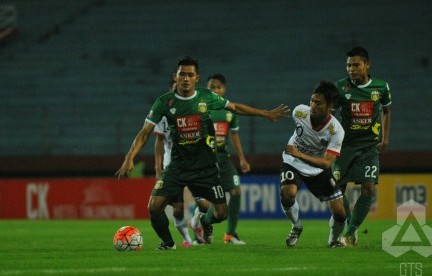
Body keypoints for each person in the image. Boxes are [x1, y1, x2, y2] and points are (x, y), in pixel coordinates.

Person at [116, 56, 289, 250]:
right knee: (154, 207)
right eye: (182, 74)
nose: (186, 78)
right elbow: (145, 132)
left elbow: (235, 107)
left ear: (197, 77)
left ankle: (205, 222)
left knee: (221, 213)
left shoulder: (206, 97)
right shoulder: (164, 102)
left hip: (205, 168)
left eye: (190, 75)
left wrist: (265, 113)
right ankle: (168, 243)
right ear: (175, 76)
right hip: (178, 167)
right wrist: (129, 157)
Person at [332, 46, 392, 246]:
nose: (351, 69)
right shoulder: (341, 87)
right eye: (348, 65)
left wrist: (385, 139)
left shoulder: (381, 87)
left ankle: (349, 233)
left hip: (368, 147)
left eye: (356, 65)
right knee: (337, 190)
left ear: (367, 65)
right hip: (344, 146)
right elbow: (330, 114)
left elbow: (386, 111)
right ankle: (350, 221)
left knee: (368, 188)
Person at [280, 80, 347, 248]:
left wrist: (299, 153)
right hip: (292, 161)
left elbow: (326, 163)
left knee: (340, 213)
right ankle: (296, 225)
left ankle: (334, 239)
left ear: (330, 106)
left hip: (317, 168)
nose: (312, 105)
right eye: (311, 100)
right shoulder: (299, 113)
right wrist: (296, 155)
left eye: (318, 103)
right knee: (287, 193)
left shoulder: (336, 131)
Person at [189, 74, 250, 245]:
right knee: (204, 200)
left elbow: (235, 135)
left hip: (224, 158)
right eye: (212, 87)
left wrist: (243, 159)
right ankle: (198, 236)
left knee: (236, 192)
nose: (215, 90)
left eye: (218, 87)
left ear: (224, 89)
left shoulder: (229, 111)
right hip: (205, 159)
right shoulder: (201, 108)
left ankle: (230, 234)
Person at [153, 79, 192, 248]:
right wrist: (158, 166)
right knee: (177, 209)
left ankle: (198, 224)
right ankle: (186, 238)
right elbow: (159, 140)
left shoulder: (193, 109)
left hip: (193, 163)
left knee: (205, 204)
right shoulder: (164, 113)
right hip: (173, 164)